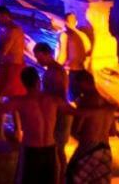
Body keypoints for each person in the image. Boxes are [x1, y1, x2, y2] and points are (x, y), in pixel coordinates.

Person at [0, 66, 71, 184]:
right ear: (38, 81)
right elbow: (76, 112)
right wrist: (103, 109)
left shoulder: (20, 101)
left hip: (32, 150)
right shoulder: (53, 100)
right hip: (49, 149)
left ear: (24, 83)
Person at [66, 71, 116, 184]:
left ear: (84, 83)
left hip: (88, 149)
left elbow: (75, 129)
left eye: (78, 84)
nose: (77, 88)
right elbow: (113, 132)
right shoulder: (108, 102)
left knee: (72, 177)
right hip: (106, 150)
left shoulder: (85, 101)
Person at [33, 42, 70, 181]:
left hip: (59, 114)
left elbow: (57, 94)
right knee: (58, 150)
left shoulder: (55, 72)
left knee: (56, 150)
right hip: (58, 113)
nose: (37, 60)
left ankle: (59, 178)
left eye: (39, 57)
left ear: (47, 54)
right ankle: (61, 178)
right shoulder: (53, 70)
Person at [0, 6, 27, 140]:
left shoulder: (13, 31)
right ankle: (18, 131)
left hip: (13, 69)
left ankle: (0, 132)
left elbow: (3, 52)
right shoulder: (12, 30)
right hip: (13, 67)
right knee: (14, 99)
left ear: (5, 16)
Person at [56, 13, 91, 79]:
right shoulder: (83, 35)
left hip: (70, 71)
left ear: (65, 22)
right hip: (82, 70)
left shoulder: (64, 34)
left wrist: (55, 67)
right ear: (76, 22)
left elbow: (62, 56)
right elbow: (88, 50)